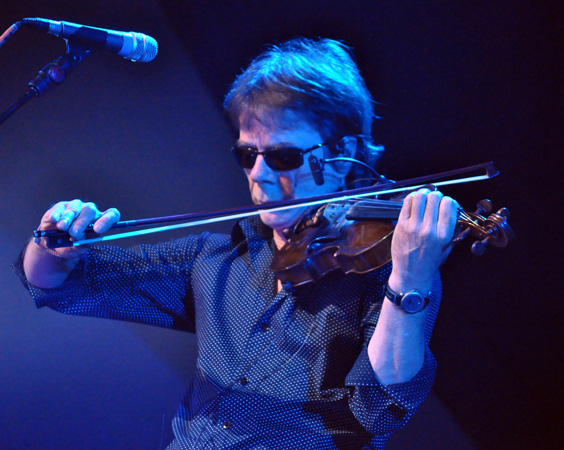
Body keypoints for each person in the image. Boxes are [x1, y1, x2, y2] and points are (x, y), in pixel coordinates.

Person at [16, 38, 458, 449]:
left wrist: (410, 280)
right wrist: (52, 240)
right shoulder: (219, 256)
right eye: (248, 155)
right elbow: (59, 283)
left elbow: (380, 412)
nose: (259, 174)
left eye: (283, 156)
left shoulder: (386, 273)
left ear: (342, 158)